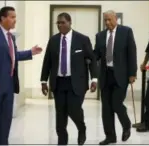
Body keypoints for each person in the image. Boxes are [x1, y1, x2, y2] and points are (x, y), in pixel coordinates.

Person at [40, 12, 97, 145]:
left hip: (76, 82)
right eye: (58, 23)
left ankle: (81, 128)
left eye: (62, 22)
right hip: (58, 83)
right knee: (60, 116)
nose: (60, 25)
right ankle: (62, 142)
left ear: (70, 22)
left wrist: (94, 79)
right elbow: (47, 61)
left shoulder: (82, 39)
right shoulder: (53, 40)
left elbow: (92, 60)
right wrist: (43, 81)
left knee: (73, 109)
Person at [0, 6, 42, 145]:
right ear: (3, 18)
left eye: (15, 17)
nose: (15, 20)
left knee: (6, 119)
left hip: (9, 85)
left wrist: (30, 52)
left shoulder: (10, 37)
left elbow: (13, 56)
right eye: (12, 17)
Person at [94, 10, 137, 145]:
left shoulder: (126, 32)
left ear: (116, 19)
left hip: (121, 75)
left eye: (109, 20)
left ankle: (126, 125)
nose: (107, 23)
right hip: (105, 75)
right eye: (105, 20)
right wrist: (85, 57)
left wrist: (132, 73)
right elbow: (96, 54)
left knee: (116, 104)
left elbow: (132, 53)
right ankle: (110, 136)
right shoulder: (100, 36)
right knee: (106, 108)